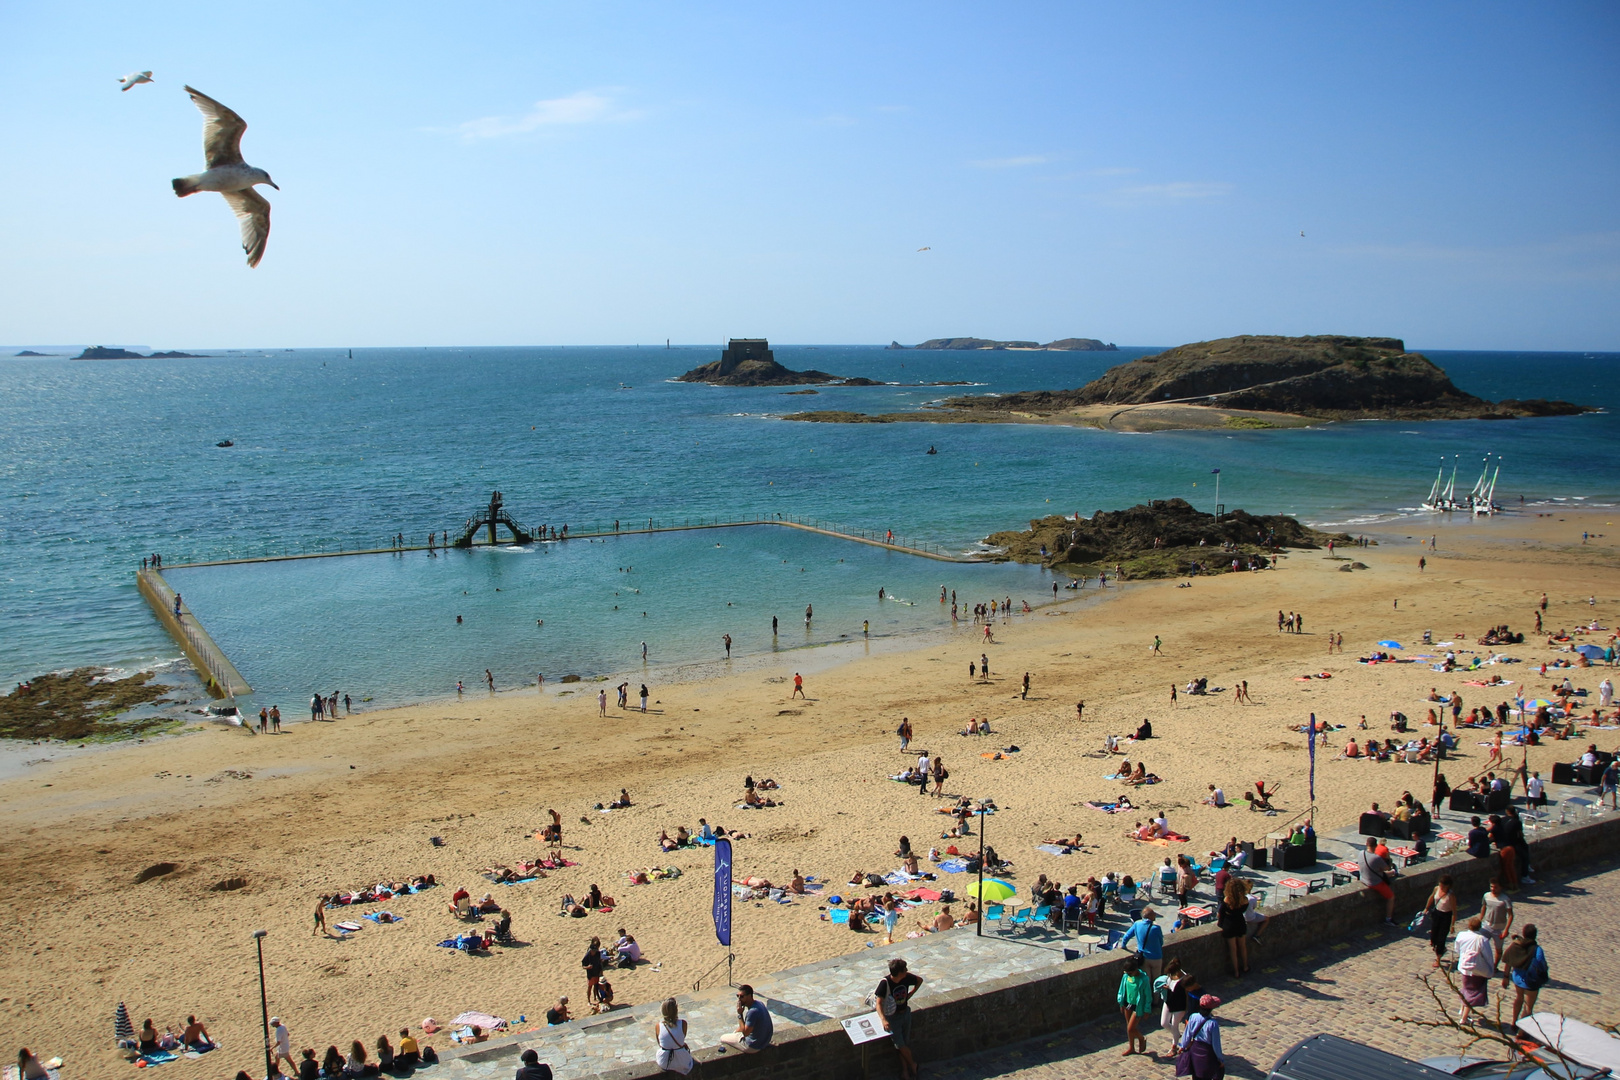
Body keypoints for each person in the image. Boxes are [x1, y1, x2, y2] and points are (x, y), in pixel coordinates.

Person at [873, 958, 923, 1080]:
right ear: (899, 972)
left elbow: (919, 980)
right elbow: (878, 1003)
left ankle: (905, 1072)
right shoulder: (885, 983)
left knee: (904, 1044)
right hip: (893, 1017)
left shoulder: (906, 978)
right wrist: (884, 1020)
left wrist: (911, 994)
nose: (907, 970)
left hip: (905, 1013)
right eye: (905, 969)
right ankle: (913, 1064)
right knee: (900, 1045)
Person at [1503, 924, 1548, 1024]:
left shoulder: (1516, 945)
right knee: (1528, 1007)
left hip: (1517, 978)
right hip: (1531, 980)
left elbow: (1508, 961)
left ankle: (1514, 1021)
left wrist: (1506, 977)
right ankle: (1522, 1031)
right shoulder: (1537, 949)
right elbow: (1541, 964)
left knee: (1519, 998)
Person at [1454, 915, 1494, 1024]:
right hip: (1476, 970)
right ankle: (1464, 1017)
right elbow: (1488, 956)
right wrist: (1491, 969)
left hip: (1464, 967)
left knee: (1466, 989)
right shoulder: (1482, 940)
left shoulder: (1461, 935)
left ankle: (1462, 1010)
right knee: (1472, 993)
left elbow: (1457, 948)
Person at [1179, 995, 1225, 1079]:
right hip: (1207, 1053)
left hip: (1195, 1050)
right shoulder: (1212, 1023)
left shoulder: (1193, 1017)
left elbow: (1187, 1034)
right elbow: (1216, 1044)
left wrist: (1183, 1046)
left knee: (1196, 1075)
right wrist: (1220, 1059)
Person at [719, 984, 772, 1054]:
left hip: (753, 1046)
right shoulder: (760, 1003)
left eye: (742, 996)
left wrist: (740, 1014)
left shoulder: (752, 1012)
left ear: (749, 996)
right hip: (764, 1041)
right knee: (736, 1031)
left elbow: (746, 1033)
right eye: (737, 996)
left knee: (722, 1038)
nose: (739, 999)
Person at [1117, 953, 1152, 1056]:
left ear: (1136, 969)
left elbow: (1148, 996)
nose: (1128, 974)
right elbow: (1121, 989)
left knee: (1130, 1028)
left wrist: (1147, 1010)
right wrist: (1121, 1002)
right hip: (1128, 1003)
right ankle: (1131, 1047)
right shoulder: (1125, 977)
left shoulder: (1144, 979)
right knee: (1129, 1027)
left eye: (1130, 972)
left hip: (1138, 1006)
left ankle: (1141, 1038)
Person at [1357, 836, 1397, 925]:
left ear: (1367, 844)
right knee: (1391, 897)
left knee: (1382, 873)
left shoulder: (1361, 853)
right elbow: (1386, 868)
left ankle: (1393, 872)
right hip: (1374, 882)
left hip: (1363, 878)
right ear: (1376, 846)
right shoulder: (1376, 858)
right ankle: (1388, 918)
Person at [1421, 874, 1457, 969]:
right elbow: (1432, 897)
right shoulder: (1436, 889)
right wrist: (1426, 908)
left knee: (1441, 937)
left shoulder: (1451, 895)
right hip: (1437, 914)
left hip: (1446, 916)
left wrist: (1452, 925)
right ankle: (1441, 950)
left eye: (1443, 886)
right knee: (1433, 937)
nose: (1441, 887)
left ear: (1448, 886)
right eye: (1440, 885)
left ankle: (1438, 958)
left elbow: (1454, 911)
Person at [1218, 878, 1251, 976]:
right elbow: (1243, 911)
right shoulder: (1245, 900)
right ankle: (1245, 966)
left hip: (1229, 924)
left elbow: (1221, 913)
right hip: (1240, 922)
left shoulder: (1227, 899)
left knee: (1233, 949)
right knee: (1242, 947)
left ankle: (1236, 972)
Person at [654, 998, 694, 1074]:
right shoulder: (683, 1023)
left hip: (665, 1061)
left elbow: (660, 1044)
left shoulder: (658, 1026)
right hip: (682, 1060)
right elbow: (682, 1038)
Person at [1480, 879, 1514, 968]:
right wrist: (1480, 919)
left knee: (1498, 949)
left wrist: (1506, 930)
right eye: (1491, 886)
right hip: (1486, 926)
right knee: (1480, 945)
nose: (1493, 889)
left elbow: (1510, 915)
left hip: (1499, 928)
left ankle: (1495, 966)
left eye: (1495, 887)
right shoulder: (1486, 896)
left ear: (1500, 887)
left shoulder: (1505, 899)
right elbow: (1484, 907)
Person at [1123, 907, 1164, 978]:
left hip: (1143, 957)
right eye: (1153, 914)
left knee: (1146, 980)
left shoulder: (1137, 924)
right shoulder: (1156, 928)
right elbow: (1161, 942)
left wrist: (1123, 945)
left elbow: (1126, 936)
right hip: (1156, 957)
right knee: (1157, 980)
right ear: (1150, 916)